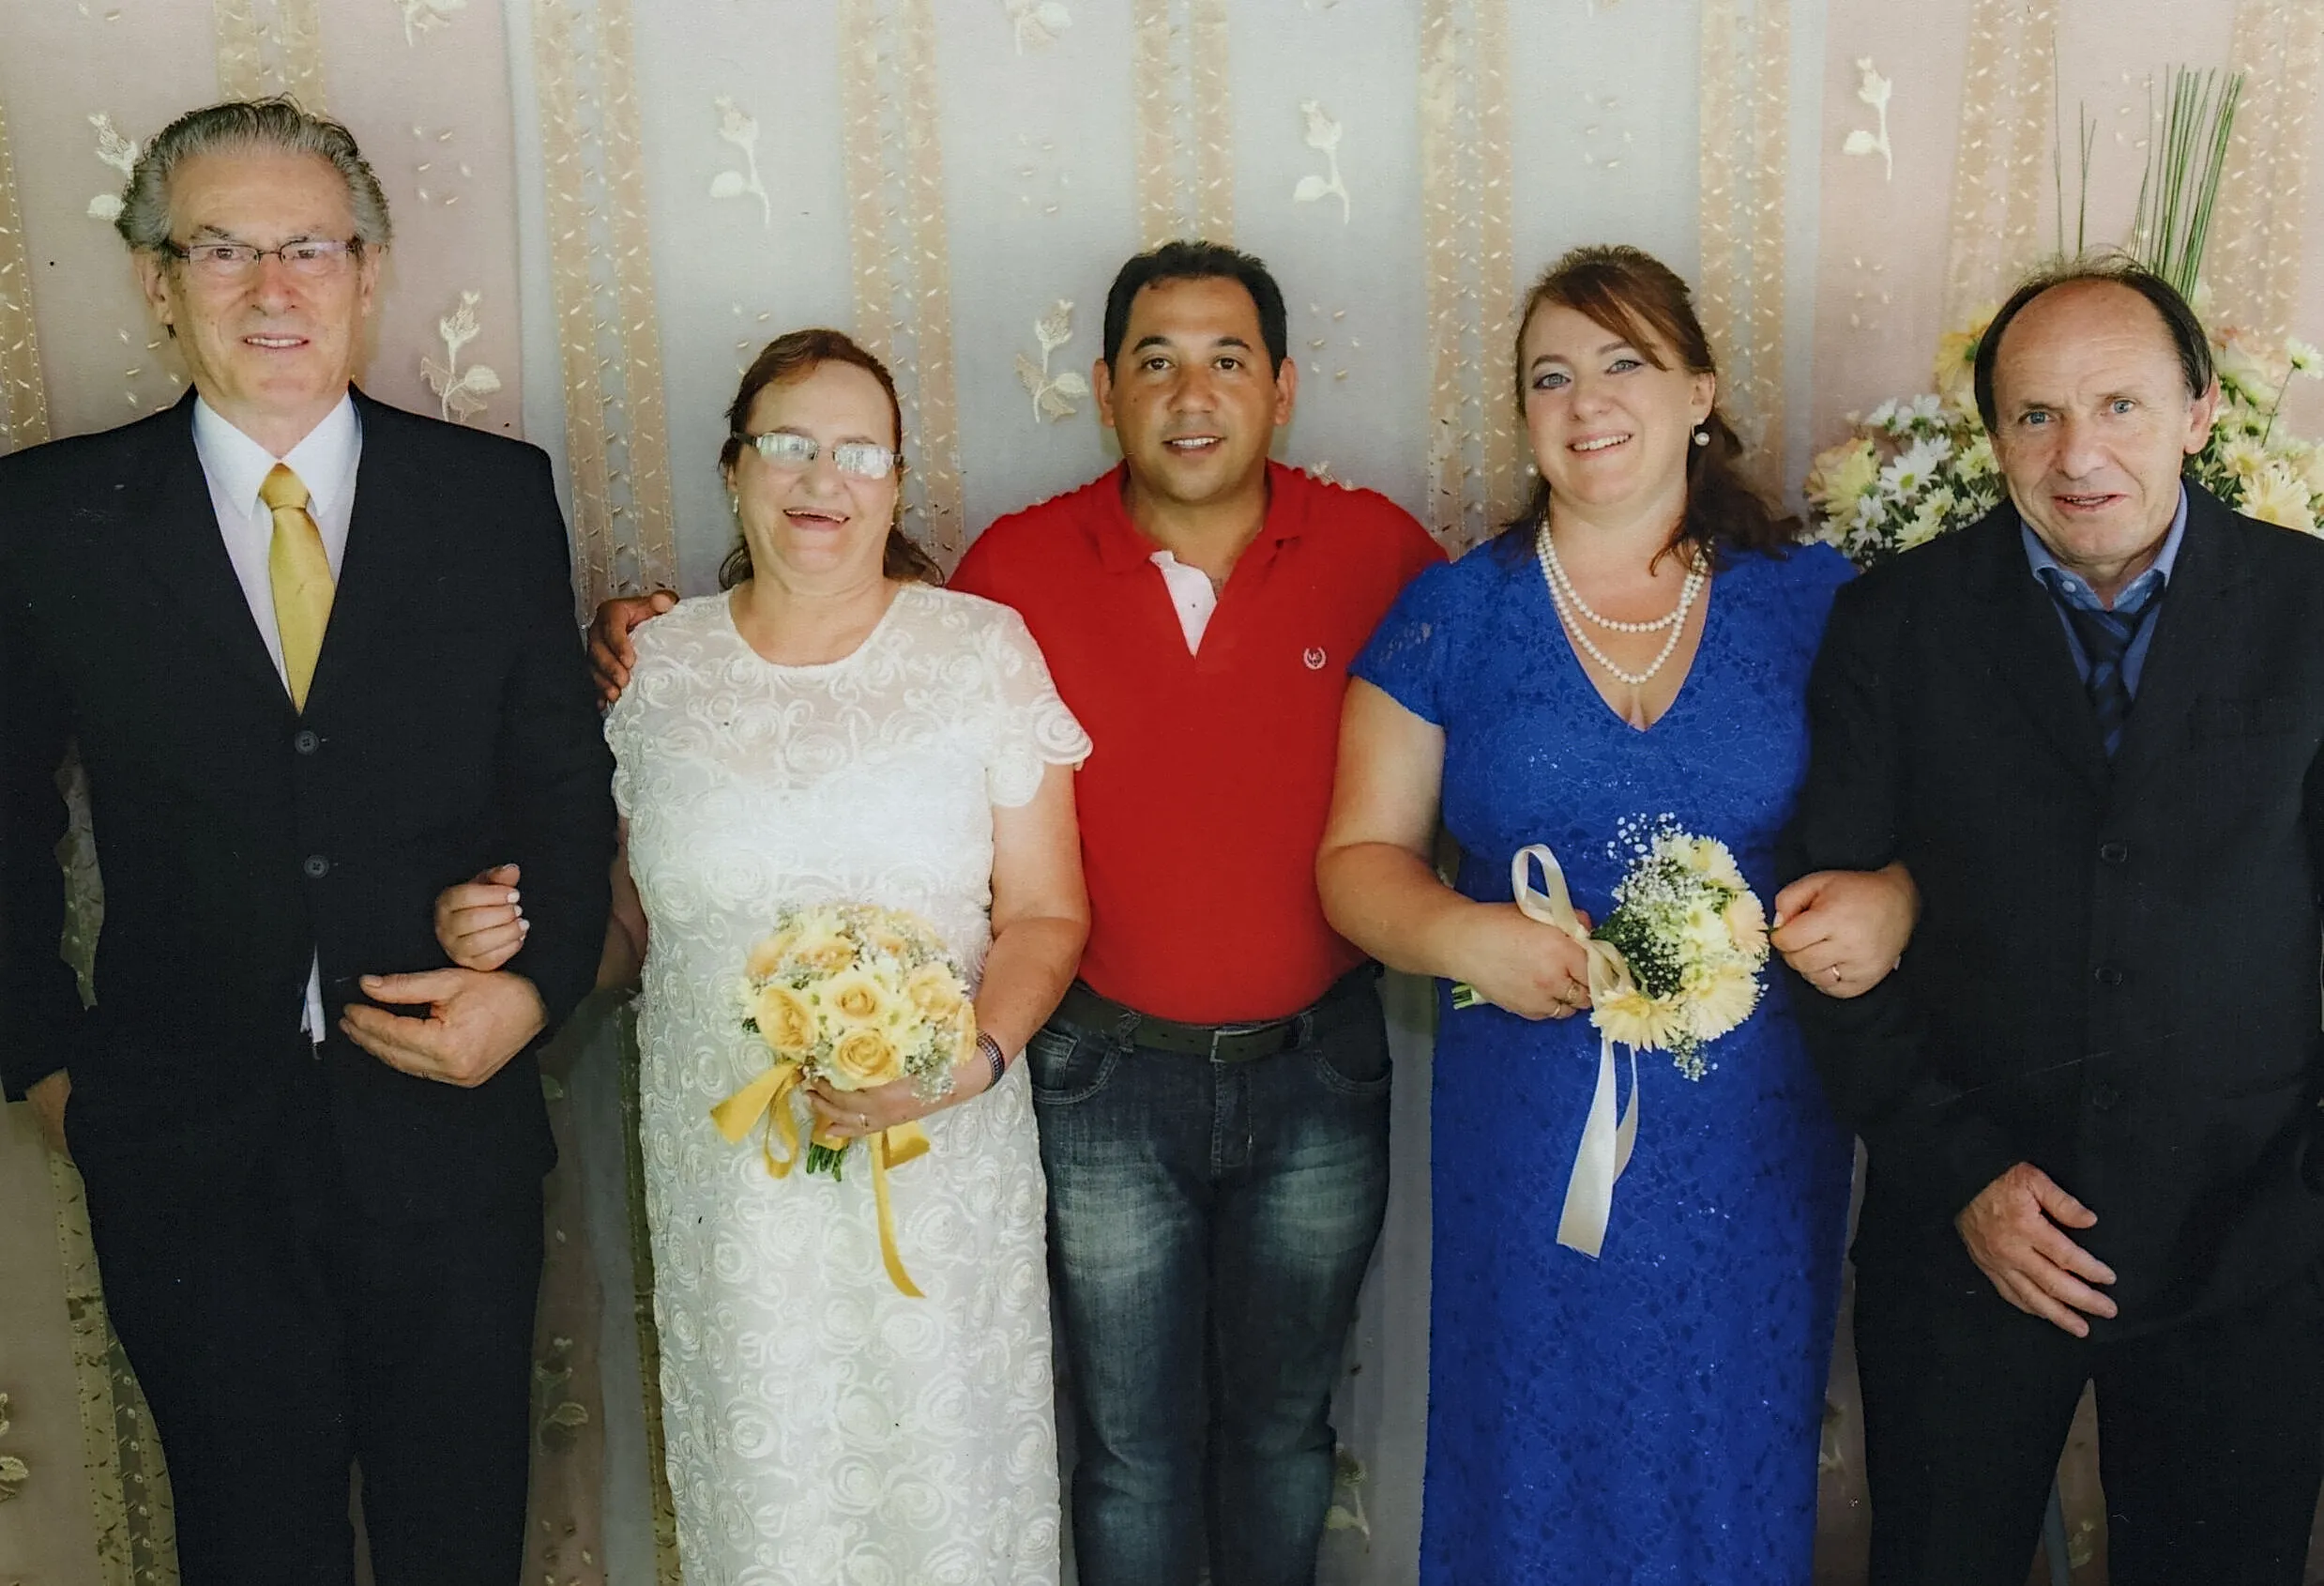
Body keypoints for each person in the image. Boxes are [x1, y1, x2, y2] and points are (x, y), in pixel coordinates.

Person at [588, 241, 1445, 1586]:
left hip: (1317, 1064)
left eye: (1228, 358)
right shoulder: (1017, 567)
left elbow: (1494, 705)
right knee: (1129, 1449)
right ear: (1104, 388)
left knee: (1285, 1432)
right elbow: (837, 681)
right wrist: (649, 638)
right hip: (1101, 1073)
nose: (1192, 391)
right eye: (1155, 360)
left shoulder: (1383, 550)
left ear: (1282, 387)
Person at [0, 99, 614, 1583]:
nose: (272, 288)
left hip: (447, 1149)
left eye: (308, 246)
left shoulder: (491, 497)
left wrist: (530, 997)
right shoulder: (50, 515)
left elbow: (565, 796)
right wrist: (56, 1080)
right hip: (185, 1152)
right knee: (250, 1549)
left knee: (458, 1546)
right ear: (156, 281)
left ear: (367, 268)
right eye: (221, 249)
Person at [440, 328, 1090, 1583]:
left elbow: (1049, 913)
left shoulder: (980, 651)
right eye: (787, 443)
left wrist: (971, 1056)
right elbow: (627, 930)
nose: (821, 479)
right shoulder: (654, 672)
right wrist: (520, 938)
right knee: (770, 1506)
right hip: (731, 1187)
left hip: (939, 1162)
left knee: (948, 1489)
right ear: (735, 469)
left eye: (859, 452)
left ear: (897, 483)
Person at [1314, 244, 1917, 1584]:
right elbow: (1358, 858)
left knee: (1727, 1427)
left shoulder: (1816, 607)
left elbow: (1939, 823)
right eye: (1551, 375)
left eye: (1625, 361)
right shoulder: (1454, 616)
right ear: (1525, 416)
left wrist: (1895, 897)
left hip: (1754, 1125)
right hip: (1529, 1108)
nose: (1587, 399)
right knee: (1535, 1428)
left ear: (1700, 388)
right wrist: (1465, 932)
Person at [1785, 260, 2324, 1585]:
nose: (2079, 453)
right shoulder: (1892, 622)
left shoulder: (2313, 610)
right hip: (1967, 1237)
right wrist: (1960, 1171)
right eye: (2035, 416)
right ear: (1992, 436)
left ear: (2201, 410)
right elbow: (1824, 932)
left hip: (2252, 1240)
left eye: (2121, 406)